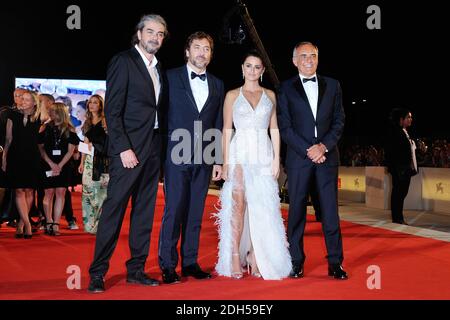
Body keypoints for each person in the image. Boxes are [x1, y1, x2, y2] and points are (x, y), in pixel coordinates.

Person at [88, 14, 168, 293]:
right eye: (150, 32)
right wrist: (123, 148)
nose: (155, 37)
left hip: (153, 149)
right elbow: (113, 109)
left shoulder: (158, 68)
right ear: (139, 33)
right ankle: (97, 273)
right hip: (128, 152)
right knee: (114, 211)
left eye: (160, 34)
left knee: (144, 213)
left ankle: (136, 270)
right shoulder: (123, 61)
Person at [215, 50, 291, 280]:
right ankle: (235, 257)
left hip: (264, 154)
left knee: (262, 207)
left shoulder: (270, 95)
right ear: (242, 68)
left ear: (262, 71)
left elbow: (274, 129)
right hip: (239, 154)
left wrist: (277, 158)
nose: (252, 70)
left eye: (257, 67)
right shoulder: (231, 95)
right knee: (238, 206)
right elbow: (226, 129)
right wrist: (225, 161)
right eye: (249, 66)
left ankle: (256, 256)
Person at [277, 41, 347, 280]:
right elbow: (284, 127)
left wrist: (323, 146)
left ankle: (335, 263)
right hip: (299, 159)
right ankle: (295, 261)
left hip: (327, 157)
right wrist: (308, 149)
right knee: (296, 211)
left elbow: (339, 121)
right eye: (303, 56)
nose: (309, 59)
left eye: (313, 55)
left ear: (318, 58)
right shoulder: (285, 88)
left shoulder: (334, 85)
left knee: (330, 212)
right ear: (295, 60)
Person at [158, 31, 223, 284]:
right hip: (176, 152)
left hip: (205, 154)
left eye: (206, 49)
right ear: (187, 52)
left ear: (211, 54)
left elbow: (217, 122)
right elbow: (161, 116)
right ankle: (167, 264)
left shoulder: (217, 83)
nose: (201, 53)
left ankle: (190, 262)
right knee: (174, 210)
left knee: (196, 211)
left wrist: (217, 158)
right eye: (197, 47)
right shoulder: (170, 77)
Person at [2, 90, 42, 238]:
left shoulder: (39, 117)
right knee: (19, 190)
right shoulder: (13, 115)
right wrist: (5, 158)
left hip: (32, 157)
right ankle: (28, 224)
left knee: (30, 191)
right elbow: (8, 139)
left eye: (26, 100)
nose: (22, 101)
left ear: (34, 102)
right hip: (15, 156)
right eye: (21, 99)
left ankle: (21, 223)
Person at [38, 103, 79, 236]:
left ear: (60, 113)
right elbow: (41, 148)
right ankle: (48, 221)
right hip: (47, 164)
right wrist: (51, 164)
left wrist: (59, 165)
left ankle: (56, 224)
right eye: (50, 111)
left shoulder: (70, 129)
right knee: (48, 193)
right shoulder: (45, 127)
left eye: (54, 111)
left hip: (64, 165)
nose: (51, 114)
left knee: (61, 192)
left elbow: (70, 151)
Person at [78, 94, 109, 234]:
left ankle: (101, 225)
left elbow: (109, 143)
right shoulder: (87, 122)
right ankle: (90, 225)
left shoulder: (105, 121)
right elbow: (85, 143)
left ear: (100, 105)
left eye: (95, 103)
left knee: (101, 195)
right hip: (89, 162)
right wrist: (82, 162)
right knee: (87, 193)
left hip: (102, 162)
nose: (92, 105)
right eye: (90, 102)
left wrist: (95, 145)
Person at [384, 108, 418, 225]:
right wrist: (394, 168)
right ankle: (397, 217)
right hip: (399, 169)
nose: (410, 119)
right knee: (398, 192)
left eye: (411, 117)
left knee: (402, 192)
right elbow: (390, 151)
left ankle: (398, 217)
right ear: (401, 119)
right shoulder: (395, 132)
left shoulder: (405, 132)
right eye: (408, 117)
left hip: (405, 169)